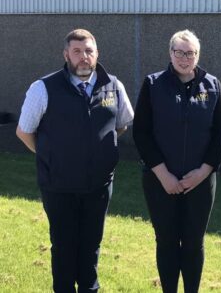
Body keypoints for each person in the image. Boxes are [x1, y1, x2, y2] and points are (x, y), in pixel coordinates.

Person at [16, 28, 134, 292]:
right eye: (77, 51)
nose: (84, 57)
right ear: (66, 54)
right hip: (59, 186)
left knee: (92, 245)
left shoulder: (113, 86)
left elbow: (122, 124)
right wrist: (50, 155)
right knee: (64, 246)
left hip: (99, 186)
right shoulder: (43, 88)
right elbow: (24, 131)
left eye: (89, 51)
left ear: (97, 54)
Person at [133, 29, 221, 293]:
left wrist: (204, 171)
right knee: (166, 241)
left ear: (197, 55)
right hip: (160, 181)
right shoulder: (153, 84)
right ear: (170, 53)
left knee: (194, 242)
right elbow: (141, 132)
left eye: (191, 53)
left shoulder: (212, 85)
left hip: (200, 181)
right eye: (180, 52)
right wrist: (163, 175)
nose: (185, 58)